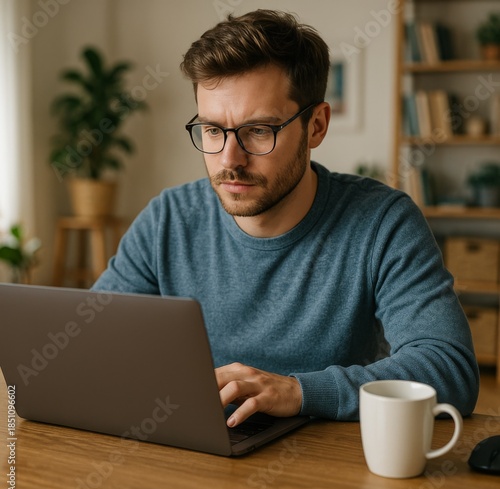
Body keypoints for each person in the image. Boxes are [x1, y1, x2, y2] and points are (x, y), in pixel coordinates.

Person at [92, 9, 479, 428]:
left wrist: (298, 392)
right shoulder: (166, 220)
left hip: (326, 471)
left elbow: (449, 369)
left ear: (316, 126)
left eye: (259, 131)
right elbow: (93, 344)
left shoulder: (383, 223)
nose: (229, 160)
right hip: (197, 455)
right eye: (212, 130)